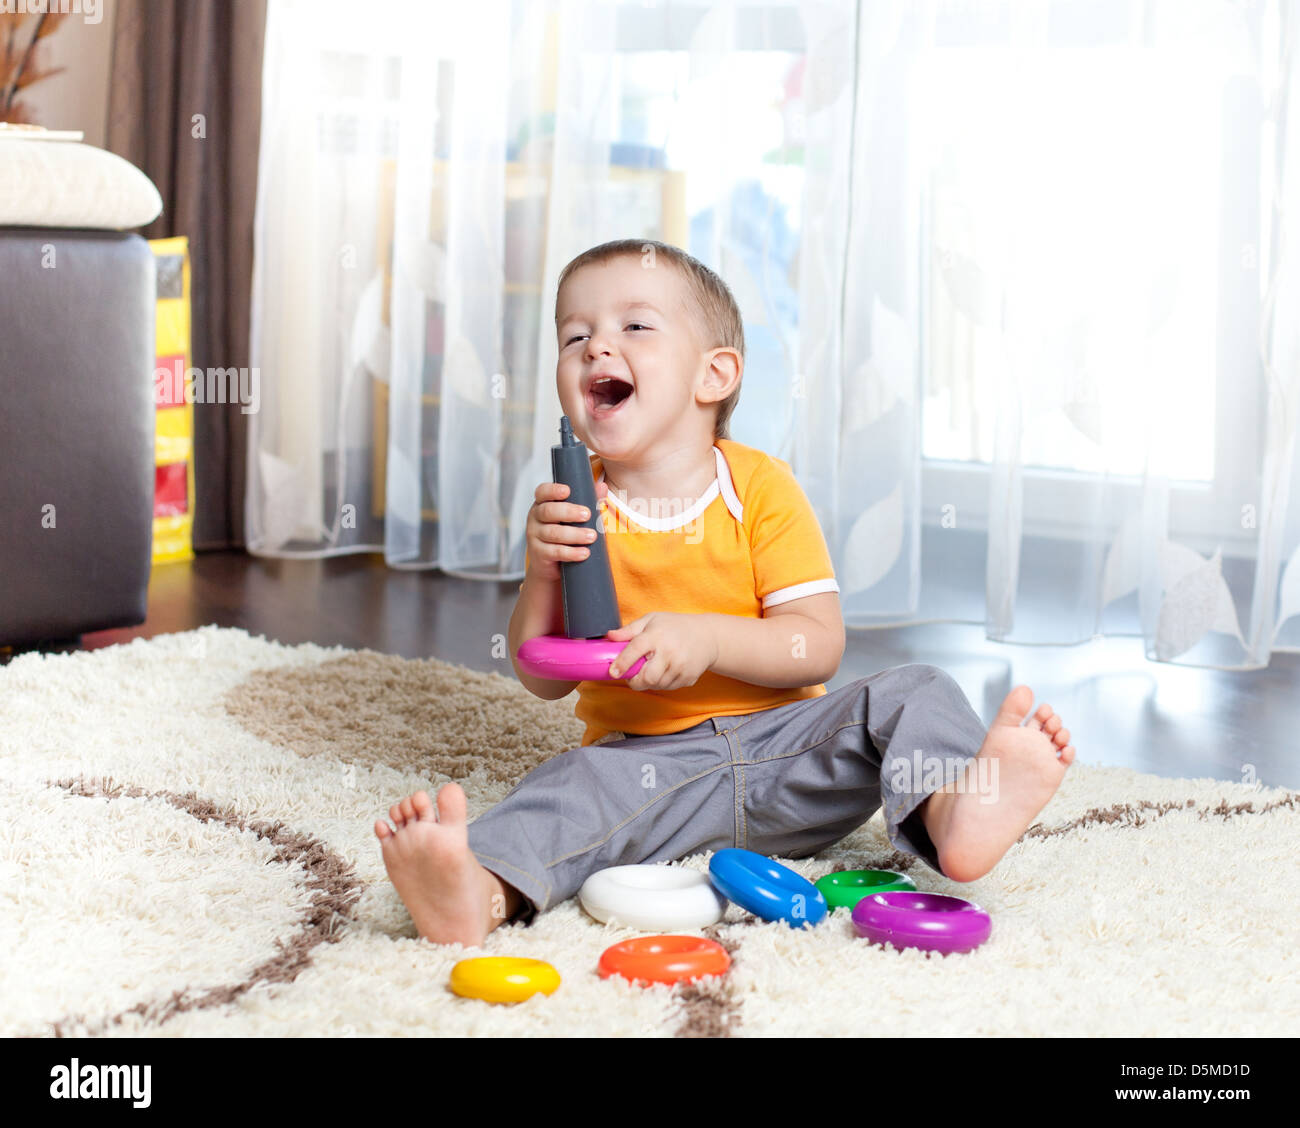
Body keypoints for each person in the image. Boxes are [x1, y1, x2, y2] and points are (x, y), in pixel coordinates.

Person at [374, 238, 1076, 945]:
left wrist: (706, 638)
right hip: (645, 772)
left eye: (634, 326)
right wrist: (540, 573)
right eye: (574, 335)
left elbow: (817, 646)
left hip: (793, 760)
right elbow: (542, 677)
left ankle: (952, 809)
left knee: (913, 691)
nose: (596, 348)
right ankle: (478, 888)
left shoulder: (761, 487)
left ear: (714, 375)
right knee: (566, 788)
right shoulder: (572, 505)